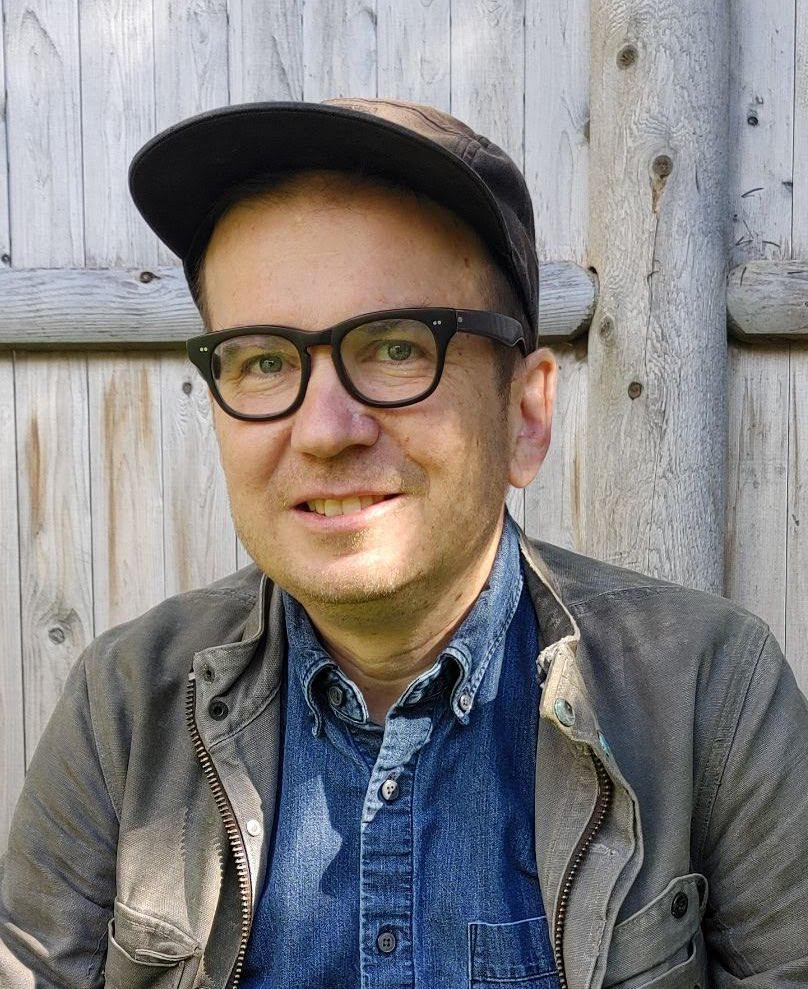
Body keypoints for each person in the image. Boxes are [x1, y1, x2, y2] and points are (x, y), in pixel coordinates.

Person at [1, 97, 807, 989]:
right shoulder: (123, 709)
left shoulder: (710, 698)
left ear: (525, 414)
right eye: (265, 359)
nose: (324, 429)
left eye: (393, 346)